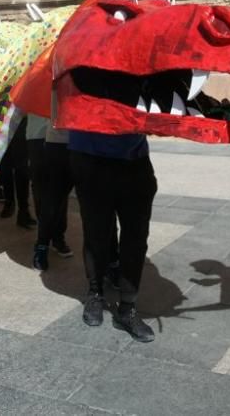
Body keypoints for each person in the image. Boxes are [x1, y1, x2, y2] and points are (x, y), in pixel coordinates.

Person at [70, 129, 158, 343]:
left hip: (135, 159)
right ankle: (95, 294)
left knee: (136, 239)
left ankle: (127, 309)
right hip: (90, 157)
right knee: (96, 233)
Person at [29, 110, 74, 272]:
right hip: (46, 137)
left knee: (59, 197)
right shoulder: (38, 84)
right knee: (48, 195)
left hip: (79, 138)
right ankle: (43, 244)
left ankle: (57, 237)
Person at [0, 115, 35, 228]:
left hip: (21, 125)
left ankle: (23, 210)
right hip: (4, 125)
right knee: (6, 168)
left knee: (21, 170)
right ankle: (10, 204)